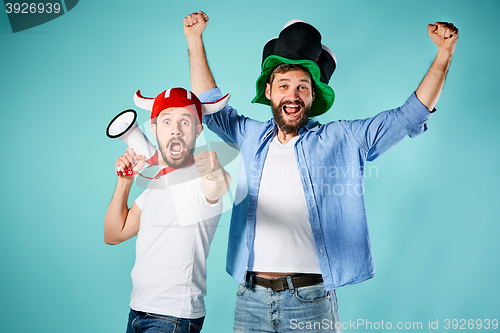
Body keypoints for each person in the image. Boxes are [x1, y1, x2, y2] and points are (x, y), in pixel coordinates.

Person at [184, 11, 458, 333]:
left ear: (313, 97)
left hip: (310, 301)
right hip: (250, 299)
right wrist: (194, 39)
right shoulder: (249, 136)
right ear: (269, 92)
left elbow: (408, 117)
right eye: (284, 85)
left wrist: (444, 54)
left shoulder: (342, 138)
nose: (293, 94)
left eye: (303, 87)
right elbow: (209, 104)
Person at [104, 87, 231, 333]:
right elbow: (113, 234)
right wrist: (125, 182)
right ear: (154, 129)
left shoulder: (200, 176)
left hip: (172, 317)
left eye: (185, 121)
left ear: (197, 130)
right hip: (137, 311)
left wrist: (217, 172)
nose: (175, 129)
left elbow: (218, 186)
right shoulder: (155, 184)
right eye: (167, 121)